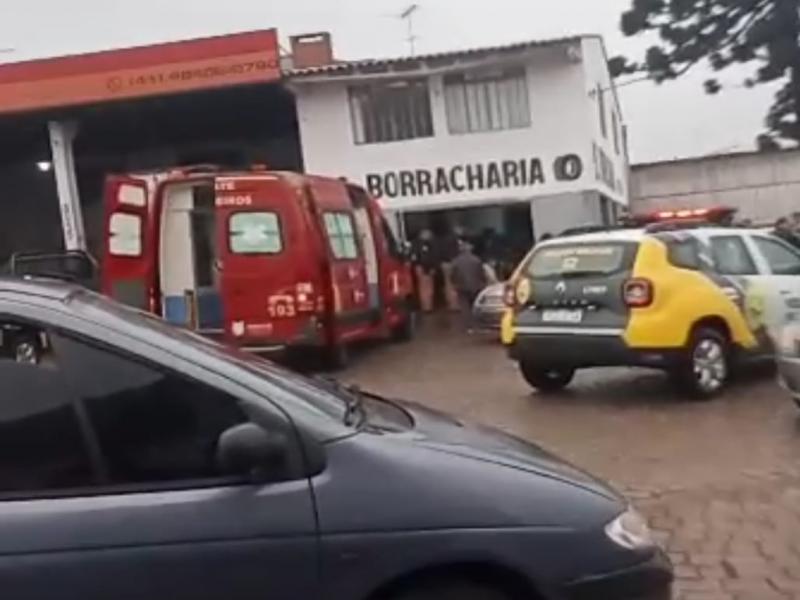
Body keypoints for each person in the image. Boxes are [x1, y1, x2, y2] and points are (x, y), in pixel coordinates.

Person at [450, 240, 489, 333]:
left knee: (465, 307)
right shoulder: (477, 260)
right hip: (476, 286)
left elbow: (452, 275)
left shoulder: (455, 261)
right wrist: (484, 283)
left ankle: (468, 326)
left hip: (461, 286)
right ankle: (478, 325)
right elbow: (482, 274)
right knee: (476, 306)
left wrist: (455, 284)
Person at [411, 230, 439, 313]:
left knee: (423, 287)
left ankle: (426, 306)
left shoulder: (415, 244)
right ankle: (428, 307)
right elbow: (434, 256)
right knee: (428, 287)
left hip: (420, 266)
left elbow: (414, 256)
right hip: (425, 266)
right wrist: (433, 267)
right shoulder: (431, 245)